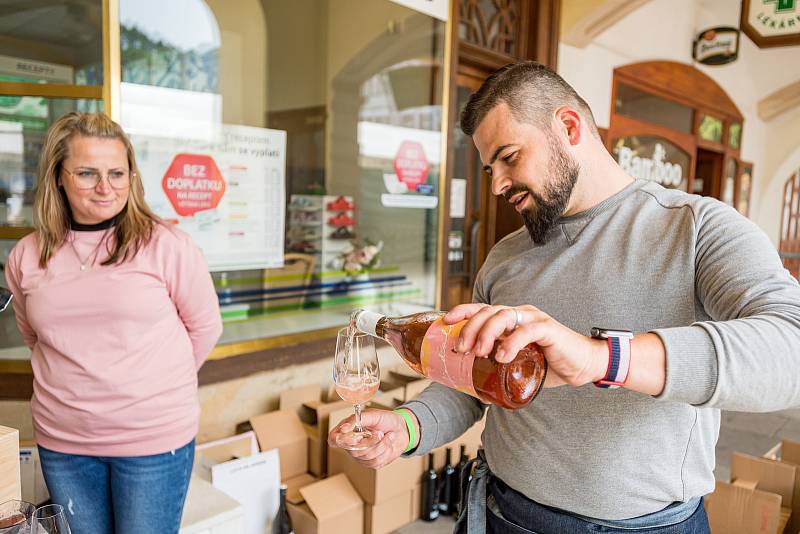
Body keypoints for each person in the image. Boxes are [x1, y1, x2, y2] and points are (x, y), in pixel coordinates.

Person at [329, 61, 800, 533]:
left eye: (509, 157)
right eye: (491, 168)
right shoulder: (505, 257)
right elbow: (469, 378)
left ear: (569, 126)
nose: (496, 185)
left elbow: (791, 347)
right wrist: (409, 426)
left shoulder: (695, 228)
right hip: (499, 513)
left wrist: (602, 359)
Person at [4, 112, 223, 534]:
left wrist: (149, 389)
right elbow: (36, 336)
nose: (106, 187)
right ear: (59, 177)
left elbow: (204, 328)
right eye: (87, 173)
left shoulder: (167, 246)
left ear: (132, 176)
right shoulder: (27, 256)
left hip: (154, 441)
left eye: (117, 173)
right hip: (64, 442)